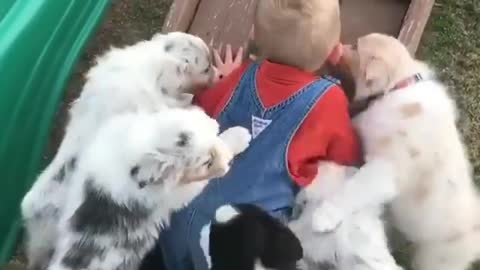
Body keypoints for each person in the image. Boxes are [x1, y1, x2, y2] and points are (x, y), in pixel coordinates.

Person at [150, 1, 361, 270]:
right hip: (242, 245)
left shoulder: (239, 77)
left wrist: (224, 79)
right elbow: (347, 157)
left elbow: (199, 111)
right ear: (334, 49)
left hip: (177, 224)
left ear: (255, 36)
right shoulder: (328, 100)